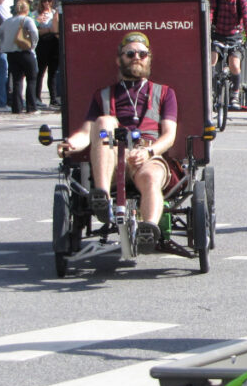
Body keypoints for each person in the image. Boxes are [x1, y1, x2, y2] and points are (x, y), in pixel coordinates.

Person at [57, 32, 178, 254]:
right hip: (112, 158)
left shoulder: (165, 93)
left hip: (146, 154)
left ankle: (148, 229)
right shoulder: (102, 95)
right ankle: (101, 196)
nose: (137, 57)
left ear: (149, 58)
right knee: (104, 121)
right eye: (130, 53)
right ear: (119, 59)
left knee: (151, 176)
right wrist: (71, 144)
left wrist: (149, 152)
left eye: (142, 54)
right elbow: (86, 132)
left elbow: (169, 136)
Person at [209, 0, 247, 105]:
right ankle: (211, 90)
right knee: (211, 61)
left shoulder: (241, 0)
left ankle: (234, 94)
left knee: (234, 65)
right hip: (218, 36)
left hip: (234, 37)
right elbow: (209, 16)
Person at [0, 0, 39, 114]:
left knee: (16, 81)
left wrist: (2, 45)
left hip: (12, 54)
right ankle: (31, 107)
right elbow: (34, 32)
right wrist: (32, 45)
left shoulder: (8, 21)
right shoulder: (27, 20)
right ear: (26, 10)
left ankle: (17, 107)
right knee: (31, 79)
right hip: (26, 52)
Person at [33, 0, 60, 108]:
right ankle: (37, 97)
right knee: (40, 72)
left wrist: (50, 30)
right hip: (42, 43)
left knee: (53, 73)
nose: (47, 3)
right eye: (44, 0)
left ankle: (53, 98)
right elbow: (34, 30)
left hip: (54, 44)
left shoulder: (55, 13)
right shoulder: (36, 14)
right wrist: (47, 30)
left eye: (49, 0)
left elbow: (57, 30)